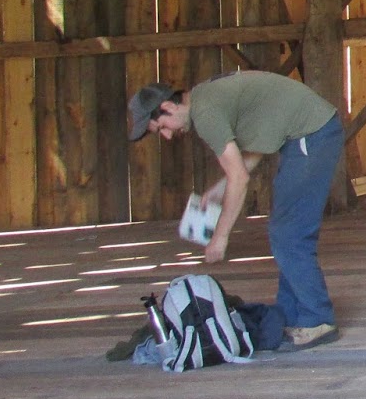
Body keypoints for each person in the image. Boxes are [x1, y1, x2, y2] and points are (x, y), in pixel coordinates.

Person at [128, 70, 343, 352]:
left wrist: (221, 237)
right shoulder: (207, 98)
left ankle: (318, 319)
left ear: (168, 106)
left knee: (289, 234)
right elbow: (257, 147)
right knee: (285, 232)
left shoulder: (205, 114)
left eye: (162, 127)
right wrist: (218, 190)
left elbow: (239, 178)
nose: (168, 136)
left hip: (312, 134)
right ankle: (292, 315)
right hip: (308, 134)